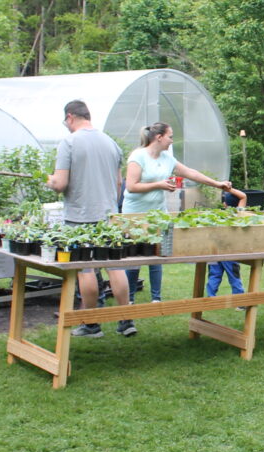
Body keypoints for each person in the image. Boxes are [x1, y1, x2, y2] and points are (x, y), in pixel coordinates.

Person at [47, 100, 133, 338]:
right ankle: (126, 321)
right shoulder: (111, 143)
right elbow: (118, 183)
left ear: (70, 116)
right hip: (107, 216)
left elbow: (61, 183)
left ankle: (91, 324)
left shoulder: (69, 143)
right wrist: (110, 206)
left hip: (79, 217)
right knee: (114, 266)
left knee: (86, 270)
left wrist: (50, 181)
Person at [123, 121, 233, 304]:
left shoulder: (167, 159)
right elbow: (131, 186)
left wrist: (217, 183)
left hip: (158, 213)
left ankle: (156, 299)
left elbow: (191, 173)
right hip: (135, 213)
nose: (172, 140)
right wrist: (159, 185)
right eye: (170, 136)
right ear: (159, 137)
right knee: (135, 257)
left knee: (158, 253)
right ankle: (130, 299)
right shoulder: (138, 156)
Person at [207, 186, 248, 306]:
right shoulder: (238, 213)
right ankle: (240, 303)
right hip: (230, 252)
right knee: (234, 277)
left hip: (214, 251)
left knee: (213, 275)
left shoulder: (218, 216)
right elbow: (243, 196)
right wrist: (229, 189)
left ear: (225, 204)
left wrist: (222, 187)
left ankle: (211, 300)